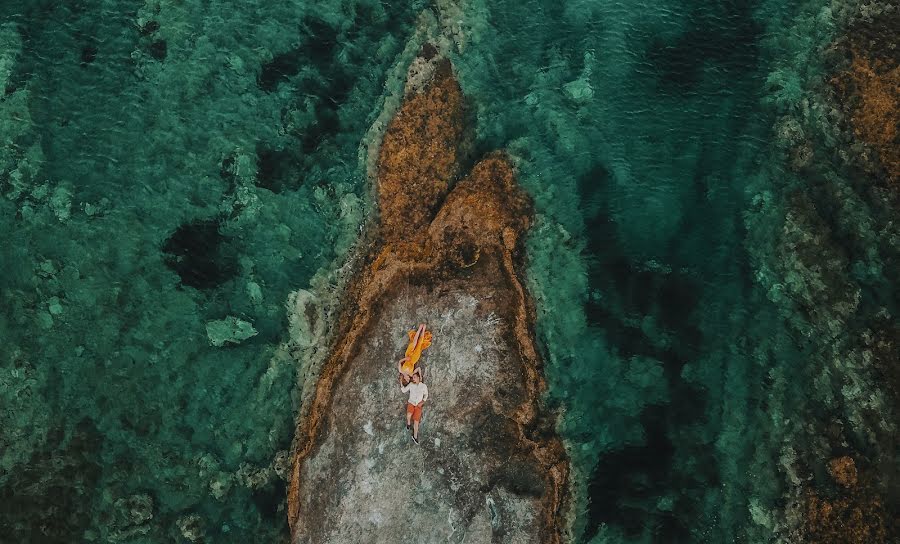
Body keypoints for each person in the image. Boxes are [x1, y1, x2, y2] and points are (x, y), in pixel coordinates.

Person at [400, 371, 428, 444]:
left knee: (416, 422)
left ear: (419, 378)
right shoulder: (411, 384)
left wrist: (422, 402)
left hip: (418, 405)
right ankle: (408, 423)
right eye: (413, 378)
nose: (413, 379)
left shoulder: (423, 386)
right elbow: (403, 390)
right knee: (409, 414)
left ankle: (415, 437)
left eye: (414, 377)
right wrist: (401, 382)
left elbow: (426, 395)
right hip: (411, 403)